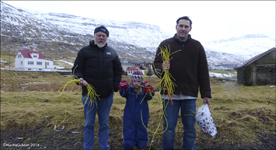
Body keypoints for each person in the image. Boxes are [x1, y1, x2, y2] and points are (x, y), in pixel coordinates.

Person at [153, 16, 212, 150]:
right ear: (176, 27)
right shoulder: (165, 44)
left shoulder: (197, 46)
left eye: (186, 26)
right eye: (181, 26)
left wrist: (206, 94)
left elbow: (203, 71)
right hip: (169, 95)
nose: (183, 29)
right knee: (168, 128)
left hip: (189, 95)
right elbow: (155, 64)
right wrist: (161, 68)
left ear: (190, 29)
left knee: (190, 129)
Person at [72, 25, 123, 150]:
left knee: (104, 124)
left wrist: (115, 86)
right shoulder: (84, 51)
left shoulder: (112, 53)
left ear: (107, 38)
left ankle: (104, 147)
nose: (101, 38)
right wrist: (80, 79)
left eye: (104, 36)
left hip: (107, 95)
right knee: (89, 124)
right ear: (94, 36)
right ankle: (88, 147)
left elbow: (118, 71)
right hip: (89, 95)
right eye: (99, 35)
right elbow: (76, 70)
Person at [118, 71, 155, 150]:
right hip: (129, 116)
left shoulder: (144, 90)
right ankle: (128, 146)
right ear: (131, 81)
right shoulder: (129, 90)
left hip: (142, 116)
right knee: (128, 131)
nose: (136, 83)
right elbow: (123, 94)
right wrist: (122, 87)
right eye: (134, 81)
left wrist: (149, 89)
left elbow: (150, 96)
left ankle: (141, 146)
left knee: (142, 131)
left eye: (138, 81)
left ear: (142, 82)